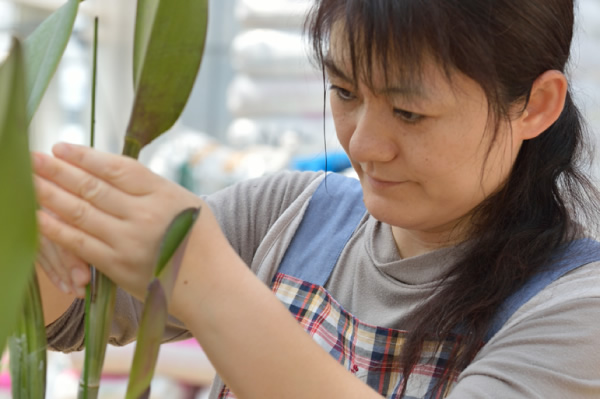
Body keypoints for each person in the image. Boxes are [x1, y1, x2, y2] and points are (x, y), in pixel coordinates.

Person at [33, 0, 600, 398]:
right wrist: (34, 227)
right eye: (345, 92)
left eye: (409, 112)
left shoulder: (576, 310)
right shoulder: (286, 215)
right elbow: (76, 313)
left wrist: (206, 281)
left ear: (536, 105)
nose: (365, 143)